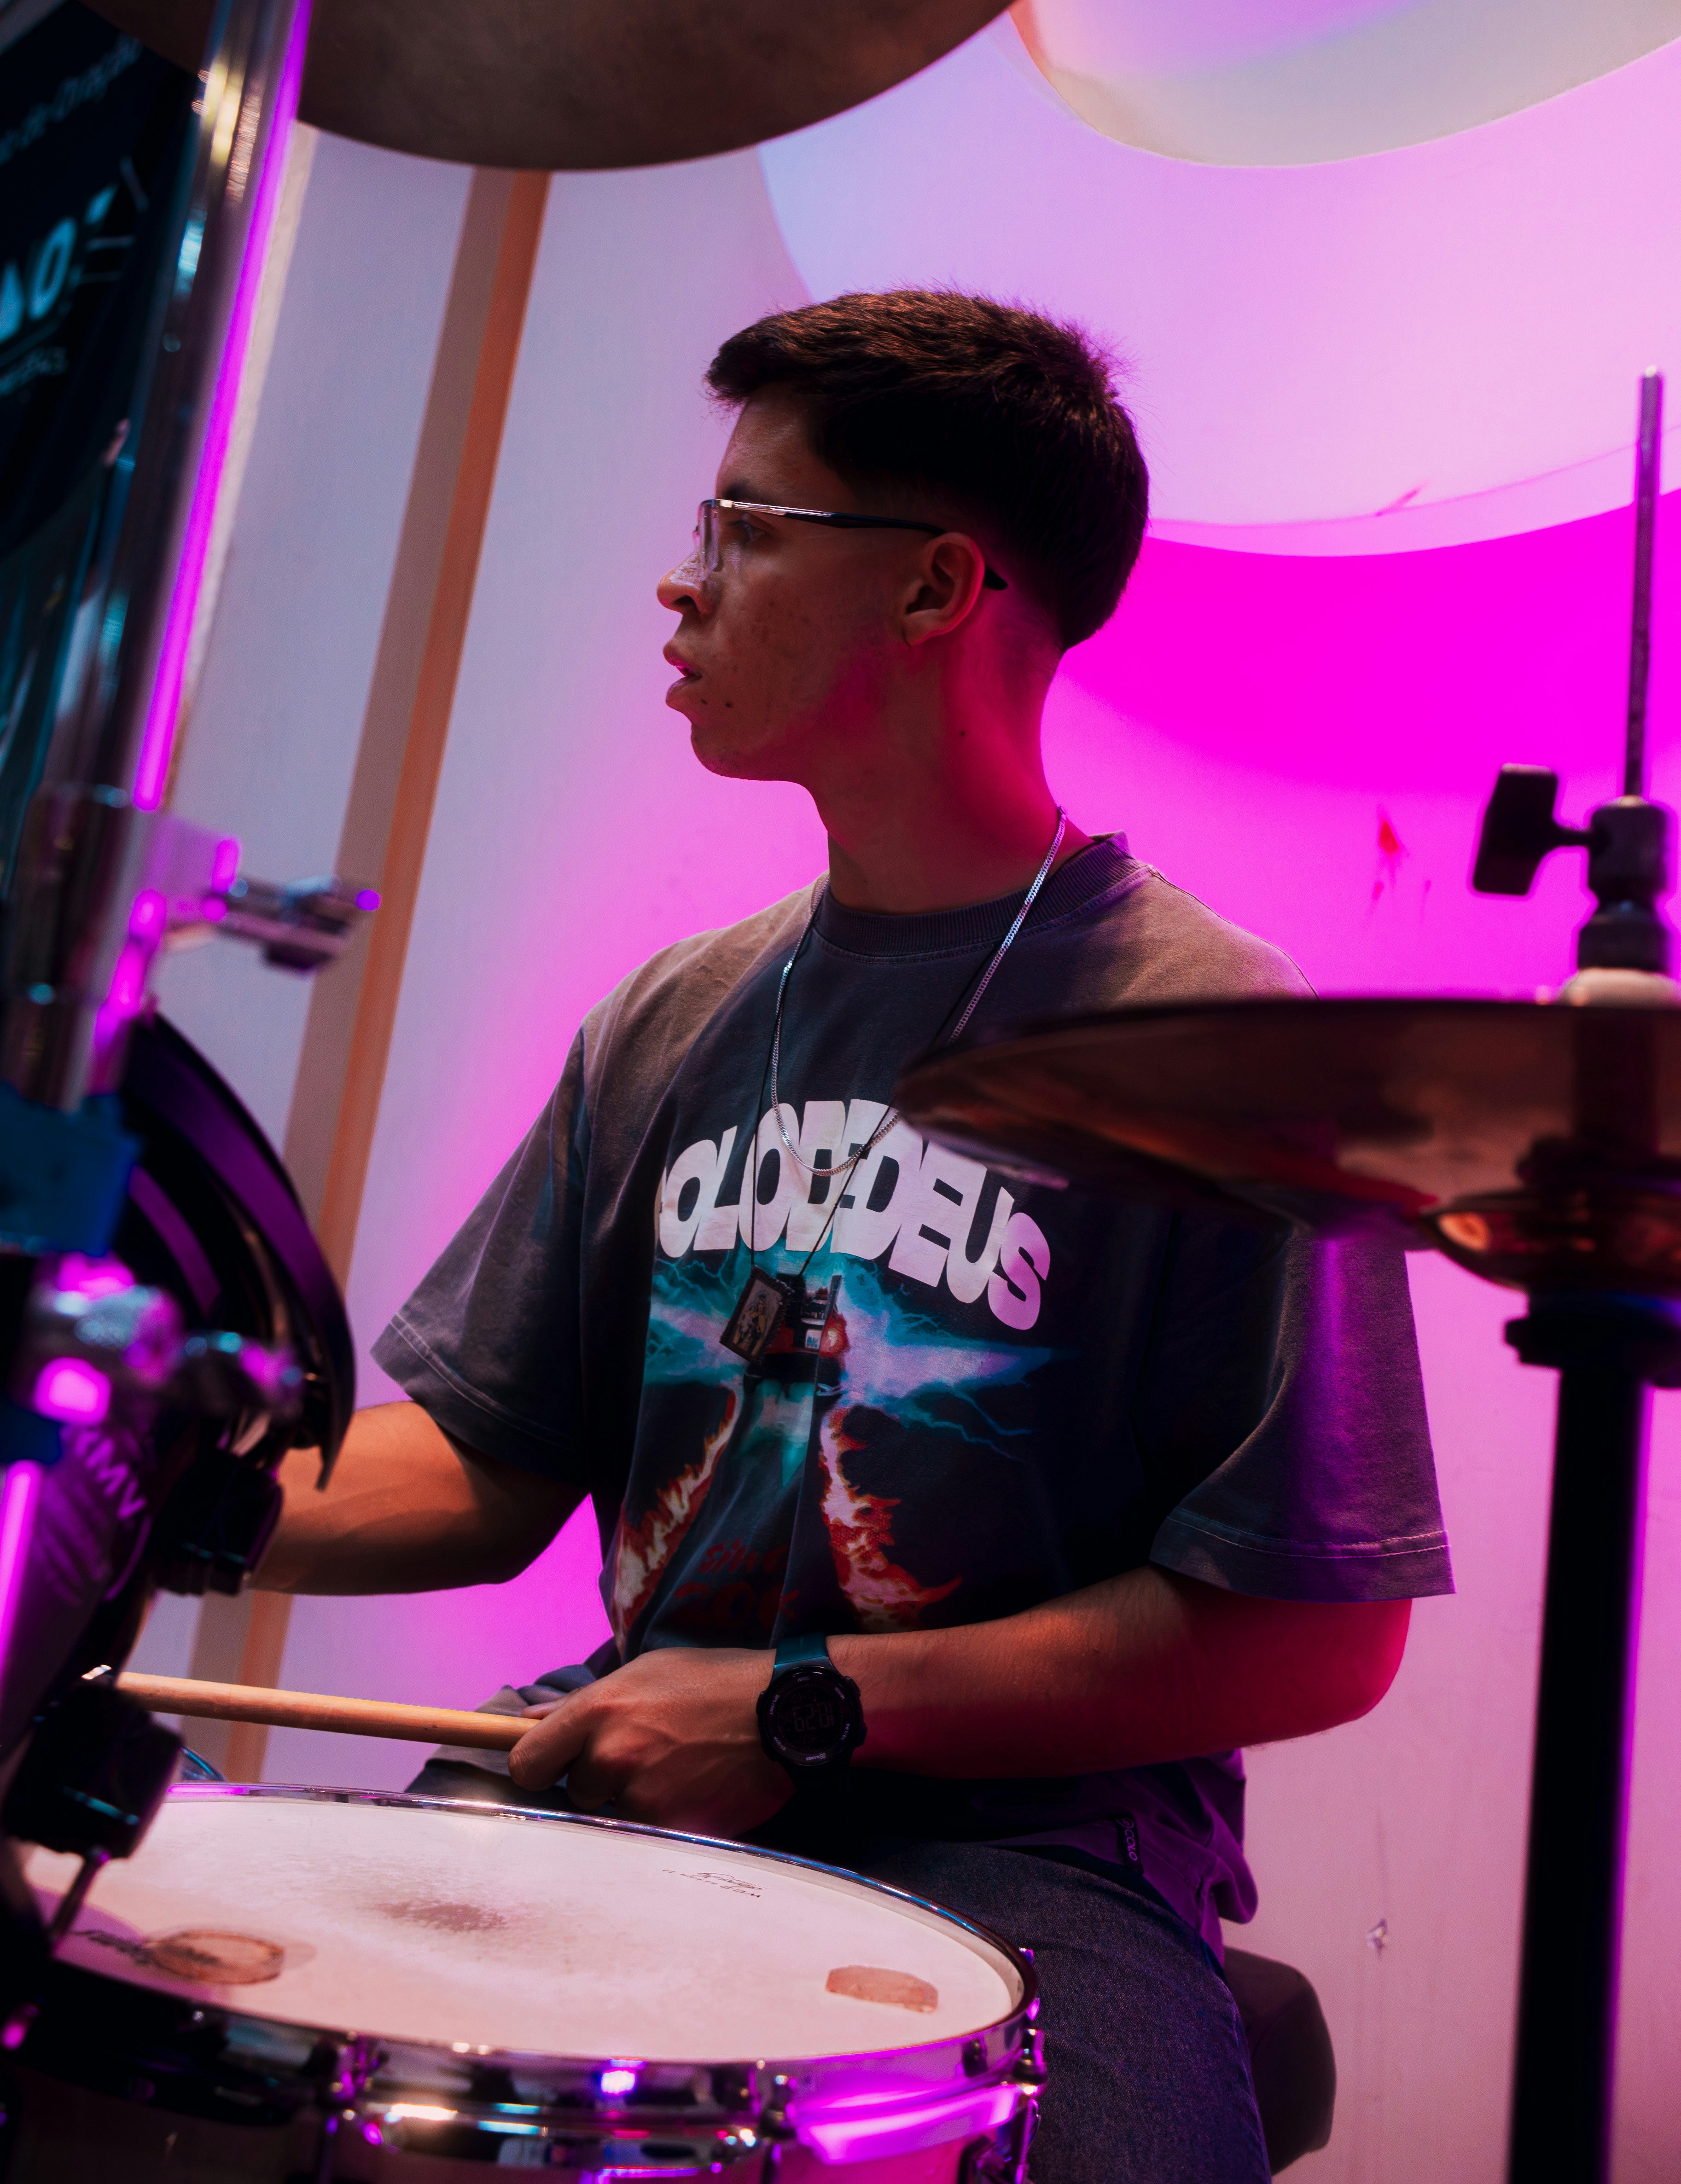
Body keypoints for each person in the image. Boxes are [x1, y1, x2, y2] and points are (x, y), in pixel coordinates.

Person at [261, 291, 1452, 2184]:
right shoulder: (674, 1014)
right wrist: (141, 1482)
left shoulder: (1213, 1039)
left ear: (931, 586)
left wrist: (801, 1710)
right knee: (283, 2087)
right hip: (629, 1764)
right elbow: (488, 1459)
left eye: (743, 528)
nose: (681, 583)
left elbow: (1316, 1634)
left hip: (1033, 1845)